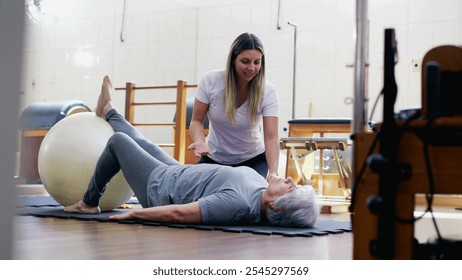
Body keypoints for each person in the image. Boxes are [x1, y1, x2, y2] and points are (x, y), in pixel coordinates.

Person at [65, 76, 320, 228]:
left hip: (159, 189)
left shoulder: (238, 204)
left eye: (291, 187)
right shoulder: (258, 185)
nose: (289, 179)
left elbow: (179, 213)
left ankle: (88, 203)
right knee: (143, 142)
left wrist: (135, 214)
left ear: (275, 206)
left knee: (119, 141)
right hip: (175, 172)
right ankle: (108, 110)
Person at [188, 33, 280, 181]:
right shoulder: (211, 81)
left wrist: (273, 172)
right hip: (214, 158)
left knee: (244, 198)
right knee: (192, 189)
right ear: (233, 60)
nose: (252, 68)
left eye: (257, 62)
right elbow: (196, 121)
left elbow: (271, 137)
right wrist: (200, 142)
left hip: (253, 160)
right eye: (245, 61)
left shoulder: (267, 90)